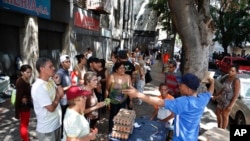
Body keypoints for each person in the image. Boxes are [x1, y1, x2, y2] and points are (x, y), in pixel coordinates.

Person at [122, 73, 215, 141]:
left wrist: (138, 94)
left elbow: (160, 102)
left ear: (188, 88)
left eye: (181, 85)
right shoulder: (202, 99)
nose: (179, 86)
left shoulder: (183, 102)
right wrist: (212, 82)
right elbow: (210, 92)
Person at [31, 57, 64, 141]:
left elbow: (62, 94)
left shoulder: (50, 80)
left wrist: (58, 83)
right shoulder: (38, 87)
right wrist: (57, 95)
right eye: (50, 66)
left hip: (57, 124)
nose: (54, 68)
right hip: (47, 130)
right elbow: (51, 108)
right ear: (42, 69)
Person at [105, 62, 133, 132]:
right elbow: (106, 90)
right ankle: (110, 132)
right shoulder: (112, 77)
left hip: (123, 101)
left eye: (124, 68)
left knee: (121, 116)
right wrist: (107, 102)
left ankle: (118, 132)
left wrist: (130, 101)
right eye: (120, 68)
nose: (123, 69)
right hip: (113, 101)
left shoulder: (128, 77)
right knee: (113, 117)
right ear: (116, 70)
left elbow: (130, 89)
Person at [213, 65, 240, 129]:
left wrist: (230, 106)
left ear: (236, 72)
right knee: (217, 113)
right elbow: (223, 89)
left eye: (232, 71)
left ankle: (223, 130)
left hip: (228, 101)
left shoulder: (236, 80)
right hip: (222, 99)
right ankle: (219, 127)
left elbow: (236, 94)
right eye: (230, 70)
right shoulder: (228, 77)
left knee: (225, 116)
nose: (230, 72)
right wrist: (216, 96)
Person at [15, 64, 32, 141]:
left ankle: (25, 138)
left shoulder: (25, 80)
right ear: (22, 72)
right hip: (23, 106)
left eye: (30, 72)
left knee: (25, 123)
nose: (29, 74)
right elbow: (18, 97)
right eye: (27, 72)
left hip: (26, 105)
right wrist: (17, 111)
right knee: (24, 124)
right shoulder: (20, 81)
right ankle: (25, 139)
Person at [56, 54, 72, 138]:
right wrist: (70, 87)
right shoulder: (59, 73)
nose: (69, 63)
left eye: (69, 61)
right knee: (62, 120)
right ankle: (62, 136)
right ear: (62, 63)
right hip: (63, 101)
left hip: (68, 100)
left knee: (67, 119)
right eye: (67, 62)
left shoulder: (67, 72)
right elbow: (57, 88)